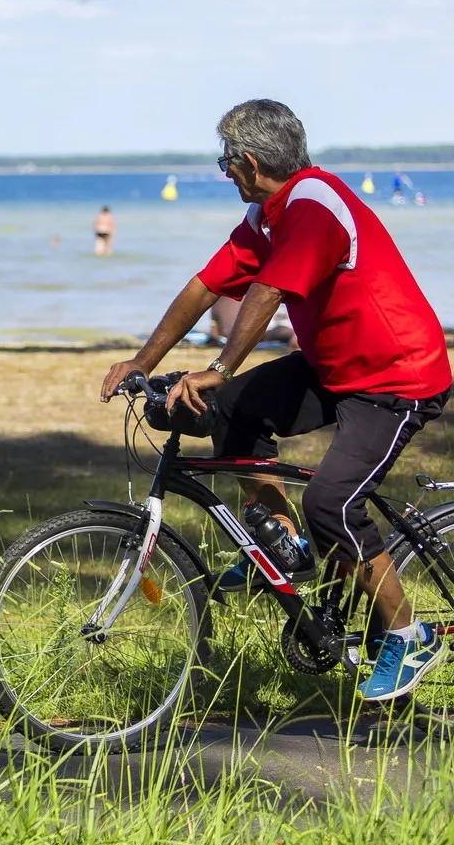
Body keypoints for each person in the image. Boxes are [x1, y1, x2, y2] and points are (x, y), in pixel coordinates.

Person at [100, 99, 452, 703]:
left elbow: (268, 291)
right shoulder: (268, 215)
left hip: (397, 378)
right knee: (233, 410)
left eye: (225, 162)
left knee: (333, 503)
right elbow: (206, 284)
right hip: (333, 367)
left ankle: (408, 633)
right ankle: (282, 543)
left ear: (250, 161)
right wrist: (143, 361)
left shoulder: (315, 207)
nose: (224, 172)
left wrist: (218, 366)